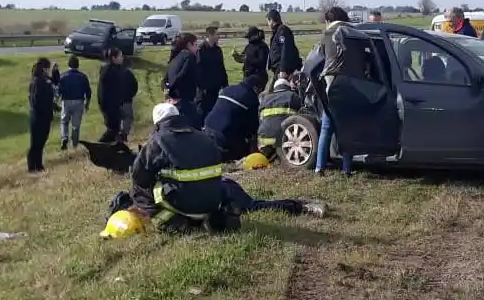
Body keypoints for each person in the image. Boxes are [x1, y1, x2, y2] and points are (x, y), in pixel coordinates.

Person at [101, 103, 323, 237]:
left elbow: (139, 176)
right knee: (251, 203)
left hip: (183, 203)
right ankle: (298, 205)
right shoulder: (204, 136)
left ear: (158, 124)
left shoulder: (158, 141)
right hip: (215, 199)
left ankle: (169, 221)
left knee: (141, 189)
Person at [315, 6, 354, 176]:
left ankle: (319, 167)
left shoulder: (327, 35)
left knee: (326, 128)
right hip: (351, 87)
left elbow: (318, 59)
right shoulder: (352, 32)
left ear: (328, 20)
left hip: (331, 86)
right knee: (347, 128)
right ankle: (346, 168)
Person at [203, 74, 266, 162]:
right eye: (260, 90)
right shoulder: (251, 98)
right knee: (240, 152)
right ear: (255, 88)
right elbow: (253, 126)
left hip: (208, 125)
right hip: (225, 132)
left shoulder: (227, 89)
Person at [164, 33, 203, 128]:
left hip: (172, 101)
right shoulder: (190, 56)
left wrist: (168, 91)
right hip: (184, 101)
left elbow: (165, 79)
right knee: (193, 128)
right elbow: (182, 75)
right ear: (189, 45)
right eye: (196, 44)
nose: (197, 48)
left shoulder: (175, 58)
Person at [257, 77, 302, 159]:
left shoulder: (265, 98)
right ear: (288, 87)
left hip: (264, 139)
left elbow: (260, 119)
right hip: (284, 138)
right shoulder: (292, 95)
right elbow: (302, 115)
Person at [27, 57, 56, 173]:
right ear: (44, 69)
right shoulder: (38, 82)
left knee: (41, 142)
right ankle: (32, 166)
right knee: (36, 143)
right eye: (48, 68)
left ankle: (38, 165)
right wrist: (47, 107)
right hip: (38, 117)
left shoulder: (44, 80)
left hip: (44, 117)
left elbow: (53, 83)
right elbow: (36, 101)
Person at [57, 55, 91, 149]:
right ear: (78, 65)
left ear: (68, 64)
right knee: (76, 125)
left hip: (66, 101)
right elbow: (88, 92)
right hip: (79, 101)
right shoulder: (83, 76)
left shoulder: (63, 76)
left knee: (64, 122)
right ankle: (75, 144)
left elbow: (59, 90)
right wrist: (87, 104)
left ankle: (64, 137)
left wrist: (56, 102)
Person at [195, 25, 228, 117]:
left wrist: (225, 84)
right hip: (204, 90)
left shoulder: (218, 50)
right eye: (217, 34)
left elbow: (221, 68)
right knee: (202, 112)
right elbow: (198, 70)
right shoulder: (201, 50)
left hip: (216, 87)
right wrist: (202, 86)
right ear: (210, 35)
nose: (218, 37)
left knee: (214, 111)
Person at [266, 9, 301, 91]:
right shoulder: (277, 32)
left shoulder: (283, 31)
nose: (268, 24)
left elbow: (285, 50)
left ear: (272, 20)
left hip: (283, 69)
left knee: (274, 91)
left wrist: (283, 69)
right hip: (278, 69)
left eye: (268, 21)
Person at [98, 47, 126, 143]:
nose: (122, 58)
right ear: (113, 58)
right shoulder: (110, 71)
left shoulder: (115, 69)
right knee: (113, 129)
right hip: (109, 105)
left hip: (114, 105)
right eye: (120, 56)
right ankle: (100, 144)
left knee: (116, 128)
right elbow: (109, 91)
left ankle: (112, 146)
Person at [121, 56, 139, 142]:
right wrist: (131, 95)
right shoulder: (128, 74)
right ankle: (124, 134)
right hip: (126, 100)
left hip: (114, 101)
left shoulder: (113, 72)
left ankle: (118, 134)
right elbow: (135, 86)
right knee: (128, 117)